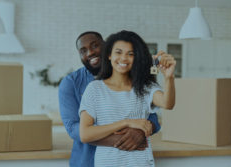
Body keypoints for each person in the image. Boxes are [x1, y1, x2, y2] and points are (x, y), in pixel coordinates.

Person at [59, 31, 161, 167]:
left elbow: (152, 117)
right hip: (86, 161)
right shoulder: (71, 82)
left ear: (107, 47)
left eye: (95, 46)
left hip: (129, 160)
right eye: (83, 51)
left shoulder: (134, 80)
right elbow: (73, 128)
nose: (90, 53)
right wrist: (123, 140)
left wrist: (141, 132)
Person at [79, 30, 176, 167]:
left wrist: (169, 77)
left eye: (130, 54)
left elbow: (168, 103)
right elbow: (85, 134)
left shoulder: (145, 87)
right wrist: (126, 122)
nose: (124, 58)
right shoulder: (95, 89)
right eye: (118, 52)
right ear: (109, 55)